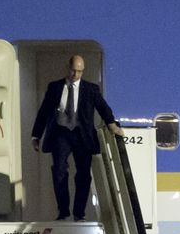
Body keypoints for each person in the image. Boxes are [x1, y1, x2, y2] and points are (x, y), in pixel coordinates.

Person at [31, 54, 124, 221]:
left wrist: (112, 125)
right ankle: (63, 211)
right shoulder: (55, 87)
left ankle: (79, 213)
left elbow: (103, 107)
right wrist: (36, 135)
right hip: (61, 133)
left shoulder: (91, 89)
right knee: (59, 171)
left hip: (82, 135)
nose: (76, 75)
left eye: (80, 72)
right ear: (68, 68)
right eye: (74, 71)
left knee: (83, 174)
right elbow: (43, 112)